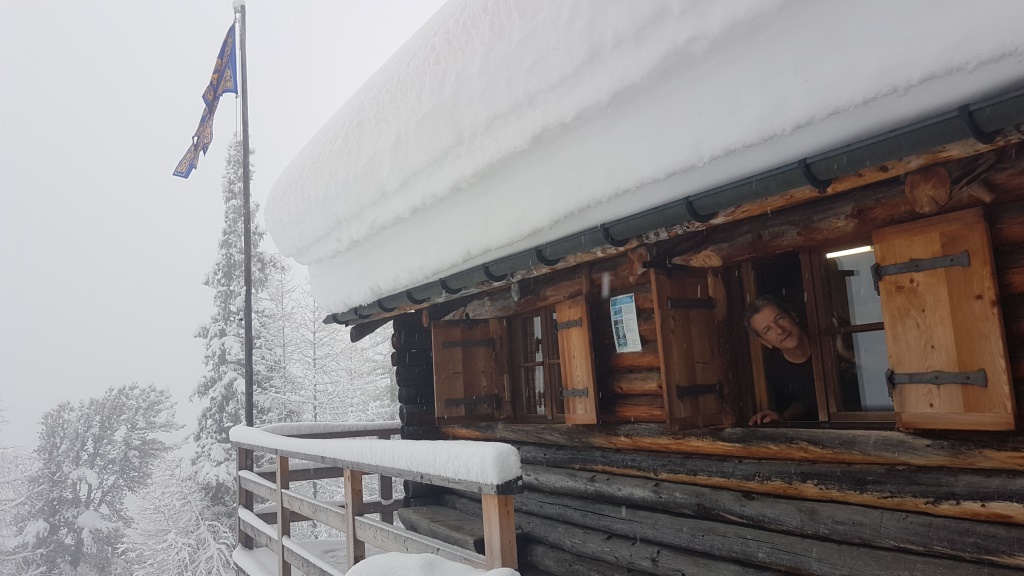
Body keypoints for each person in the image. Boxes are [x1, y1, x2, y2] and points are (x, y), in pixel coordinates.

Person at [744, 295, 818, 425]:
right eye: (768, 330)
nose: (779, 330)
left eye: (779, 318)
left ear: (793, 316)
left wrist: (846, 353)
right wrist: (783, 417)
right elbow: (805, 400)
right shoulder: (777, 371)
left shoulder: (830, 334)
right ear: (764, 342)